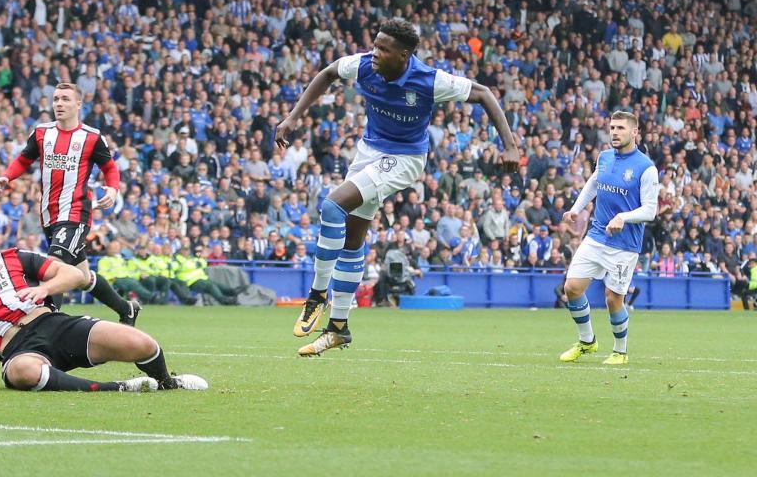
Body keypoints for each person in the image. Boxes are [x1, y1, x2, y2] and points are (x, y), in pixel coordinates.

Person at [274, 18, 520, 356]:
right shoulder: (363, 65)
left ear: (403, 55)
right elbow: (329, 72)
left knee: (332, 205)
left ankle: (316, 295)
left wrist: (509, 145)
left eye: (383, 49)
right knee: (352, 239)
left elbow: (484, 93)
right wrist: (292, 117)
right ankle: (338, 329)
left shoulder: (428, 79)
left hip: (404, 159)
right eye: (375, 45)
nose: (375, 53)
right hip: (368, 152)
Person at [0, 209, 206, 392]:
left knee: (141, 343)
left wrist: (44, 290)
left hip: (53, 324)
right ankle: (118, 387)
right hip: (18, 349)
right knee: (21, 372)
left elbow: (74, 276)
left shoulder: (16, 257)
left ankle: (167, 383)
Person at [0, 83, 138, 325]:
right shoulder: (41, 133)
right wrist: (6, 176)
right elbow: (23, 159)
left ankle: (45, 326)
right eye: (56, 99)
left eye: (65, 99)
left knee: (54, 268)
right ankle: (127, 309)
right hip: (49, 214)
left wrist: (113, 188)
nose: (59, 104)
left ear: (78, 104)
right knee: (81, 277)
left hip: (76, 213)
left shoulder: (91, 137)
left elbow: (110, 168)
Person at [558, 111, 659, 365]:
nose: (614, 132)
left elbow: (650, 209)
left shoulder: (646, 168)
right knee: (571, 288)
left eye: (621, 128)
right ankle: (587, 342)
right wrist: (576, 209)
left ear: (635, 133)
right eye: (612, 127)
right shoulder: (603, 157)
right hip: (596, 236)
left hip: (624, 246)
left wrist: (624, 217)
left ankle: (620, 352)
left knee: (613, 299)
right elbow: (593, 184)